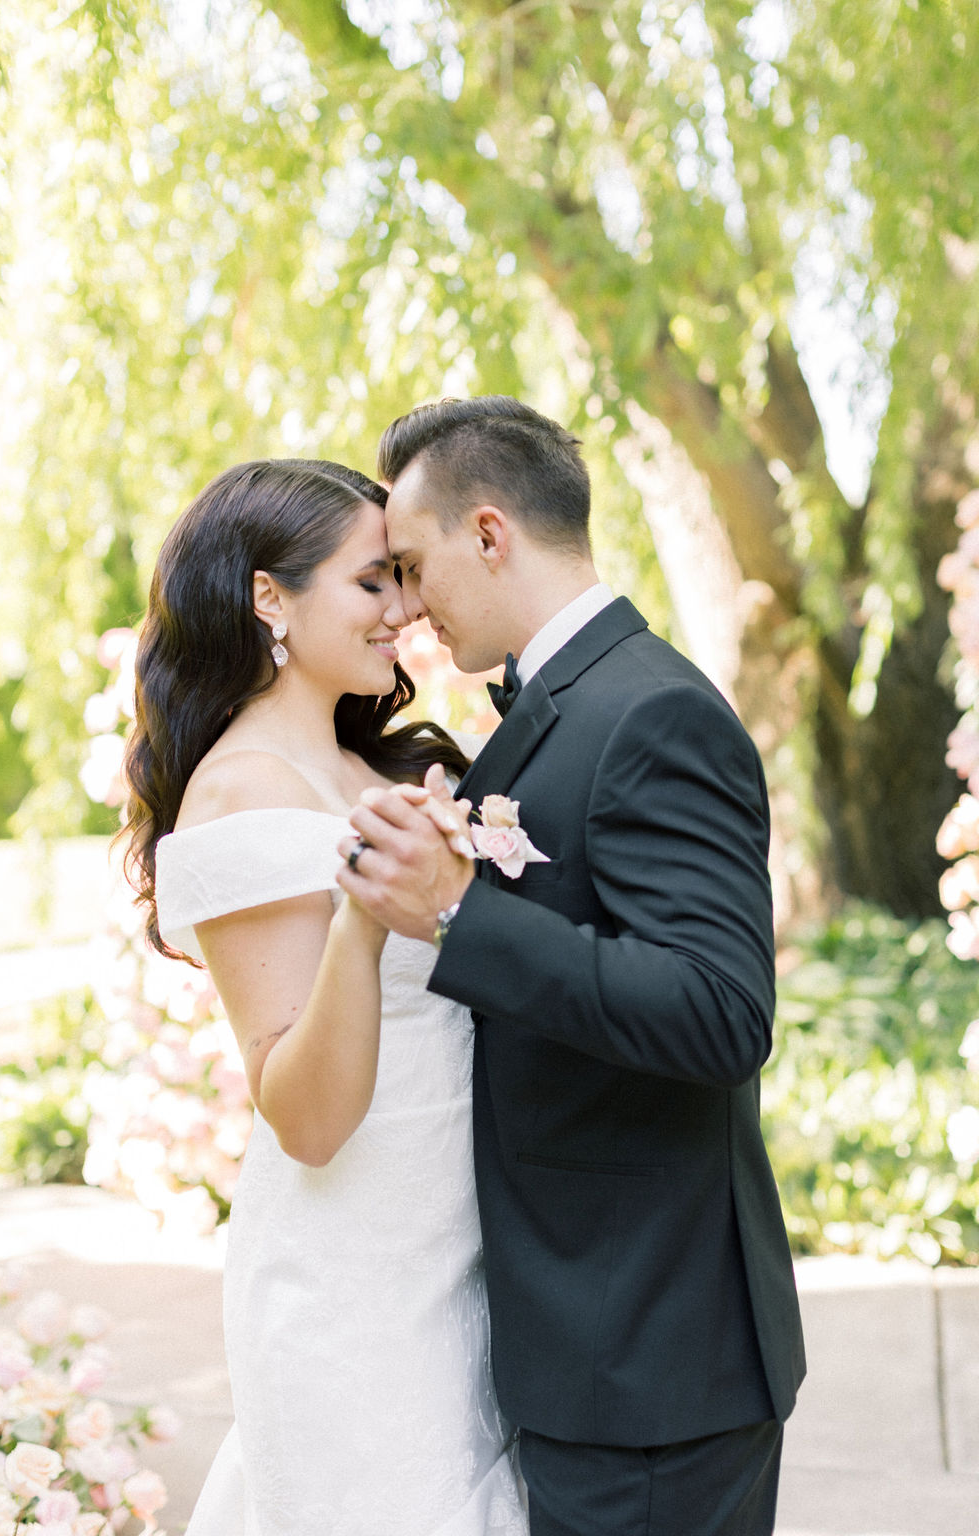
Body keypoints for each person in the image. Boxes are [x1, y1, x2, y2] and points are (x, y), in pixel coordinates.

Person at [337, 397, 807, 1536]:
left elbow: (718, 1010)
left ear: (489, 532)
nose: (404, 608)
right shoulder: (561, 708)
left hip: (649, 1358)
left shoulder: (649, 713)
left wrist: (458, 910)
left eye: (410, 564)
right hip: (595, 1343)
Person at [122, 458, 529, 1536]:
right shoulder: (241, 792)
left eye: (402, 576)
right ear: (270, 598)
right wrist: (365, 910)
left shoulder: (371, 769)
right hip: (352, 1278)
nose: (404, 609)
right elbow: (301, 1117)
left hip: (457, 1252)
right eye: (371, 583)